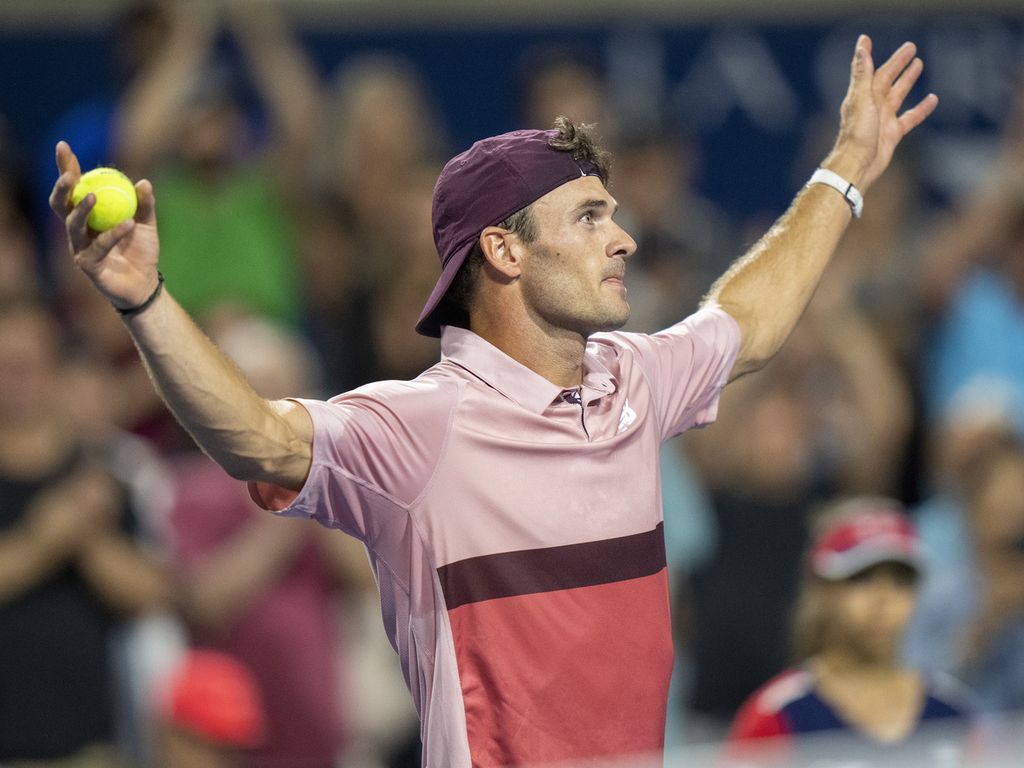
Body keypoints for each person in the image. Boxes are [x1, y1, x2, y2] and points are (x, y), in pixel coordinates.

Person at [51, 35, 935, 767]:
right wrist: (144, 299)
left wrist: (847, 168)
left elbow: (749, 316)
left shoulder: (635, 379)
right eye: (589, 217)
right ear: (505, 254)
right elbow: (259, 440)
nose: (623, 238)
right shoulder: (420, 428)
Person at [0, 297, 172, 766]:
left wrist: (87, 536)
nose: (19, 380)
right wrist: (44, 539)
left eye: (30, 365)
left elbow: (150, 593)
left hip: (88, 745)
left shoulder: (100, 471)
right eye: (7, 366)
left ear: (57, 371)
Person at [725, 498, 971, 767]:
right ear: (822, 591)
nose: (883, 599)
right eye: (862, 578)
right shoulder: (777, 714)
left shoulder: (952, 710)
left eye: (901, 581)